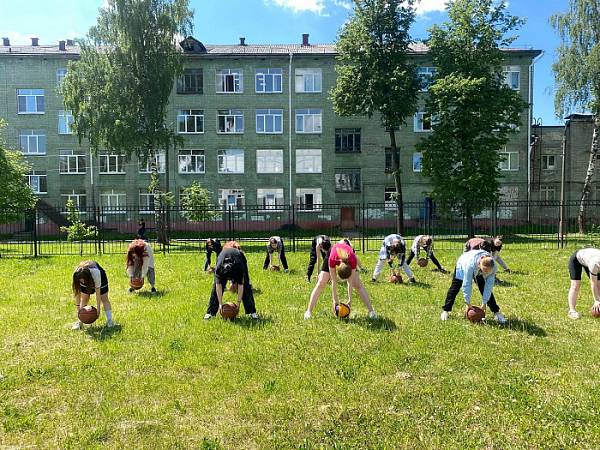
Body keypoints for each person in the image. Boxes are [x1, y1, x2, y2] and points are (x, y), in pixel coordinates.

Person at [304, 240, 377, 319]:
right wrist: (334, 299)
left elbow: (350, 281)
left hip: (348, 258)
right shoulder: (332, 259)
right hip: (333, 254)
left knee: (357, 284)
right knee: (321, 282)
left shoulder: (353, 260)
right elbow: (334, 281)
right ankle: (308, 312)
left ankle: (372, 312)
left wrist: (350, 299)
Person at [440, 249, 506, 323]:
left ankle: (496, 312)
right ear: (479, 265)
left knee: (483, 287)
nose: (486, 273)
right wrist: (467, 302)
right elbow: (467, 284)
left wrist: (484, 303)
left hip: (478, 267)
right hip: (463, 262)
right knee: (455, 287)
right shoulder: (470, 265)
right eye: (484, 270)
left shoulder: (493, 267)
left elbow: (488, 287)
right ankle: (446, 310)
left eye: (487, 271)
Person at [204, 241, 259, 320]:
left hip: (238, 258)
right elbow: (218, 286)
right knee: (215, 289)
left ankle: (252, 312)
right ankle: (210, 313)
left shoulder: (238, 268)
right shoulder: (219, 269)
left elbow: (241, 286)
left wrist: (238, 304)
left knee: (246, 285)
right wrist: (220, 304)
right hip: (222, 256)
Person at [71, 260, 115, 330]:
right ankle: (79, 322)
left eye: (83, 280)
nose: (82, 282)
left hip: (100, 278)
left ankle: (110, 321)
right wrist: (79, 311)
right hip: (85, 277)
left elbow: (98, 293)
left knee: (104, 298)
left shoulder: (96, 273)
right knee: (84, 299)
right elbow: (77, 293)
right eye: (81, 281)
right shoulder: (77, 274)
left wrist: (98, 310)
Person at [567, 247, 600, 319]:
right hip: (577, 259)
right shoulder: (594, 264)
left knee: (599, 285)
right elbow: (593, 284)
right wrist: (597, 300)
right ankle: (572, 311)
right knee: (575, 285)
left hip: (589, 258)